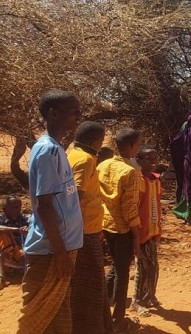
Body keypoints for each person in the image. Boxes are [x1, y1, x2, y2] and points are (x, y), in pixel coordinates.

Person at [17, 89, 83, 333]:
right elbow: (44, 206)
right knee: (36, 321)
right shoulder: (48, 150)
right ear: (53, 113)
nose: (79, 116)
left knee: (57, 319)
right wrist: (61, 253)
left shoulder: (56, 148)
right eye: (74, 111)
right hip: (51, 250)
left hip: (59, 248)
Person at [67, 120, 112, 333]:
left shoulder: (73, 154)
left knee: (93, 285)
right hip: (84, 234)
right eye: (102, 141)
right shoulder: (84, 160)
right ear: (95, 141)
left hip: (87, 231)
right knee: (90, 288)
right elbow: (75, 198)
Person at [98, 128, 142, 332]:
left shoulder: (103, 165)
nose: (139, 147)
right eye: (138, 144)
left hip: (105, 223)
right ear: (131, 146)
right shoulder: (130, 172)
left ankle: (102, 312)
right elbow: (129, 208)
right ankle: (117, 319)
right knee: (123, 273)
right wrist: (136, 235)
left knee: (116, 266)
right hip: (122, 228)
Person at [131, 147, 162, 314]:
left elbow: (156, 205)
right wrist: (135, 234)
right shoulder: (138, 181)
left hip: (152, 230)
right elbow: (134, 208)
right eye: (149, 159)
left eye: (154, 159)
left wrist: (158, 229)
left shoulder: (155, 181)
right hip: (140, 232)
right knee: (142, 267)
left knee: (153, 267)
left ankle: (150, 295)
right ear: (139, 161)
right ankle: (136, 300)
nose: (153, 162)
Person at [0, 195, 29, 289]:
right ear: (5, 209)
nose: (18, 210)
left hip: (23, 254)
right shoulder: (1, 219)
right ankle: (2, 276)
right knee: (4, 234)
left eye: (19, 206)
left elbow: (37, 224)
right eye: (15, 207)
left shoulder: (26, 218)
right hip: (6, 256)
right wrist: (16, 230)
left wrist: (29, 228)